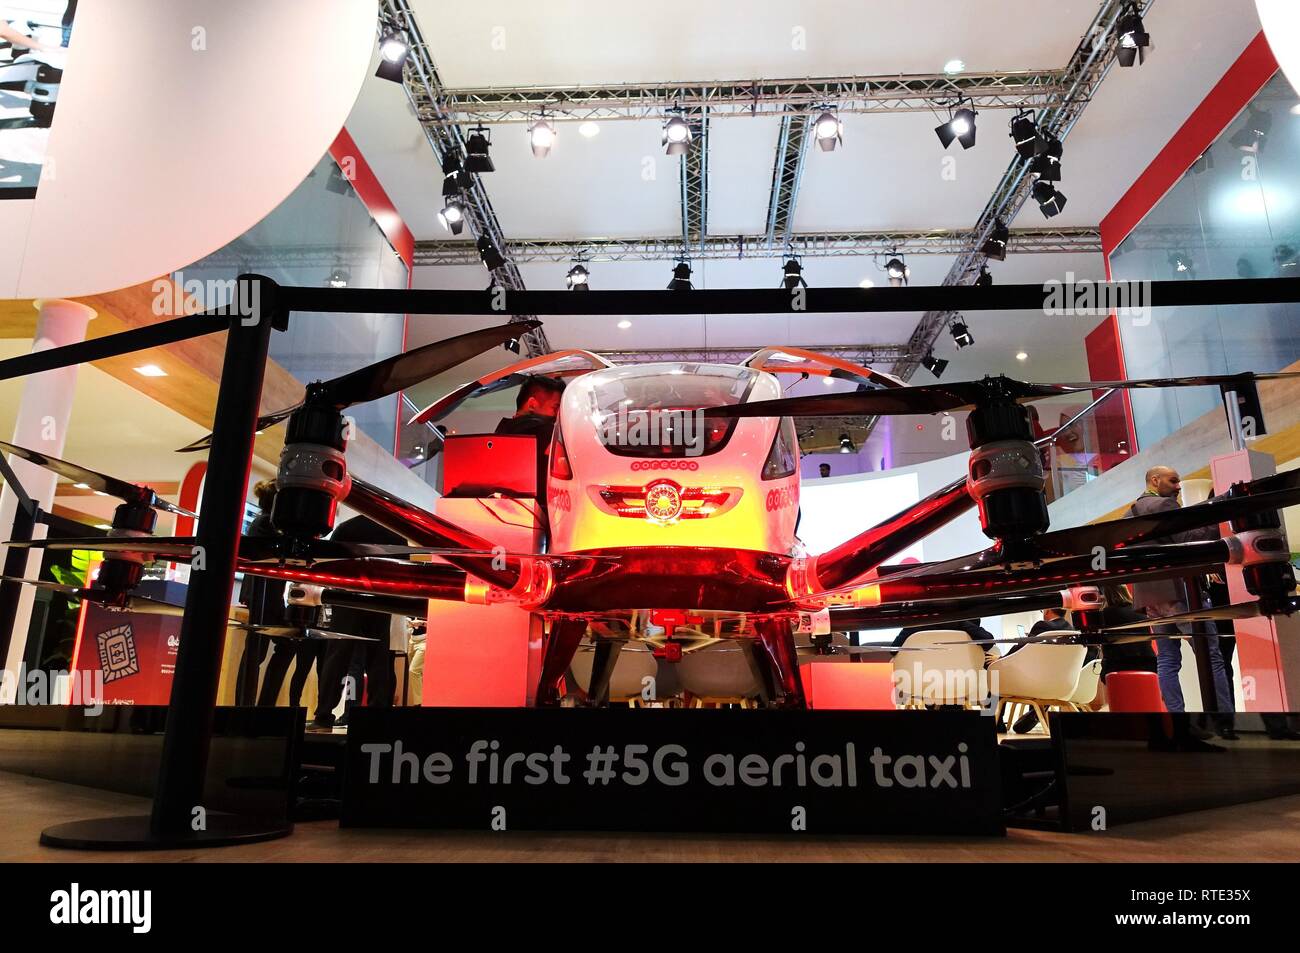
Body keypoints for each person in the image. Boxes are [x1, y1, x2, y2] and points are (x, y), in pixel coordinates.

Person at [1128, 466, 1234, 723]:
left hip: (1150, 598)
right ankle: (1225, 721)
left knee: (1167, 660)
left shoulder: (1128, 512)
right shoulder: (1164, 505)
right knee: (1211, 656)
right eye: (1173, 481)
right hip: (1179, 591)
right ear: (1155, 480)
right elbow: (1189, 539)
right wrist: (1219, 516)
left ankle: (1177, 721)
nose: (1178, 486)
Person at [311, 515, 405, 729]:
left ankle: (324, 714)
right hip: (381, 598)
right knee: (378, 658)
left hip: (347, 596)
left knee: (337, 656)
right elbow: (404, 569)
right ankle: (377, 715)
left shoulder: (347, 528)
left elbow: (329, 563)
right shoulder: (395, 532)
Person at [234, 481, 286, 706]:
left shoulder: (263, 522)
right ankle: (248, 705)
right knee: (257, 652)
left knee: (261, 650)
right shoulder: (266, 523)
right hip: (263, 593)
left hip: (266, 593)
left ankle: (253, 704)